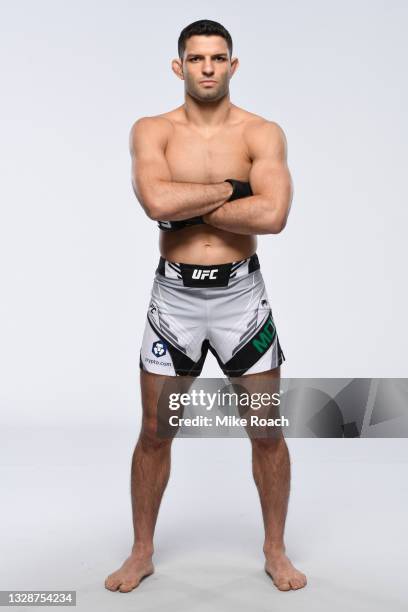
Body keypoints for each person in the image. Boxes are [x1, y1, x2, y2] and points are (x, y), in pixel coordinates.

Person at [105, 19, 307, 593]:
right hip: (175, 300)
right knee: (155, 431)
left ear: (233, 65)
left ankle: (275, 549)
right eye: (197, 59)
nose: (209, 68)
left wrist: (186, 203)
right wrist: (234, 190)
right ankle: (142, 550)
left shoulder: (261, 133)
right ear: (179, 67)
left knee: (266, 432)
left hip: (243, 299)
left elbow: (274, 216)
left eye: (219, 58)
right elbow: (154, 201)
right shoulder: (153, 130)